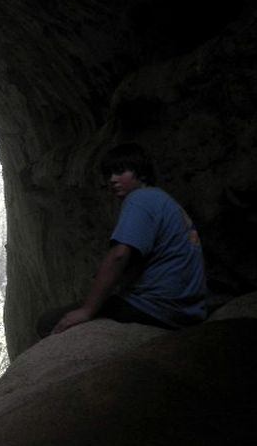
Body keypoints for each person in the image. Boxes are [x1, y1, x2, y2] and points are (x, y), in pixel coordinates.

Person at [42, 144, 207, 338]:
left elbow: (119, 256)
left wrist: (87, 310)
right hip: (187, 308)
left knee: (48, 321)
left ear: (142, 174)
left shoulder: (139, 199)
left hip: (156, 306)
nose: (112, 180)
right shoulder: (162, 200)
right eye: (109, 174)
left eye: (120, 172)